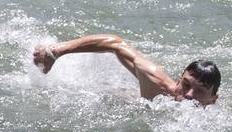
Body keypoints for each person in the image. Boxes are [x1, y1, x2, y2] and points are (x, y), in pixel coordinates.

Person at [32, 34, 221, 106]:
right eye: (186, 84)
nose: (188, 95)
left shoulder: (215, 119)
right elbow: (116, 43)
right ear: (179, 80)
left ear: (213, 100)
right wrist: (56, 51)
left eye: (200, 91)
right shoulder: (156, 83)